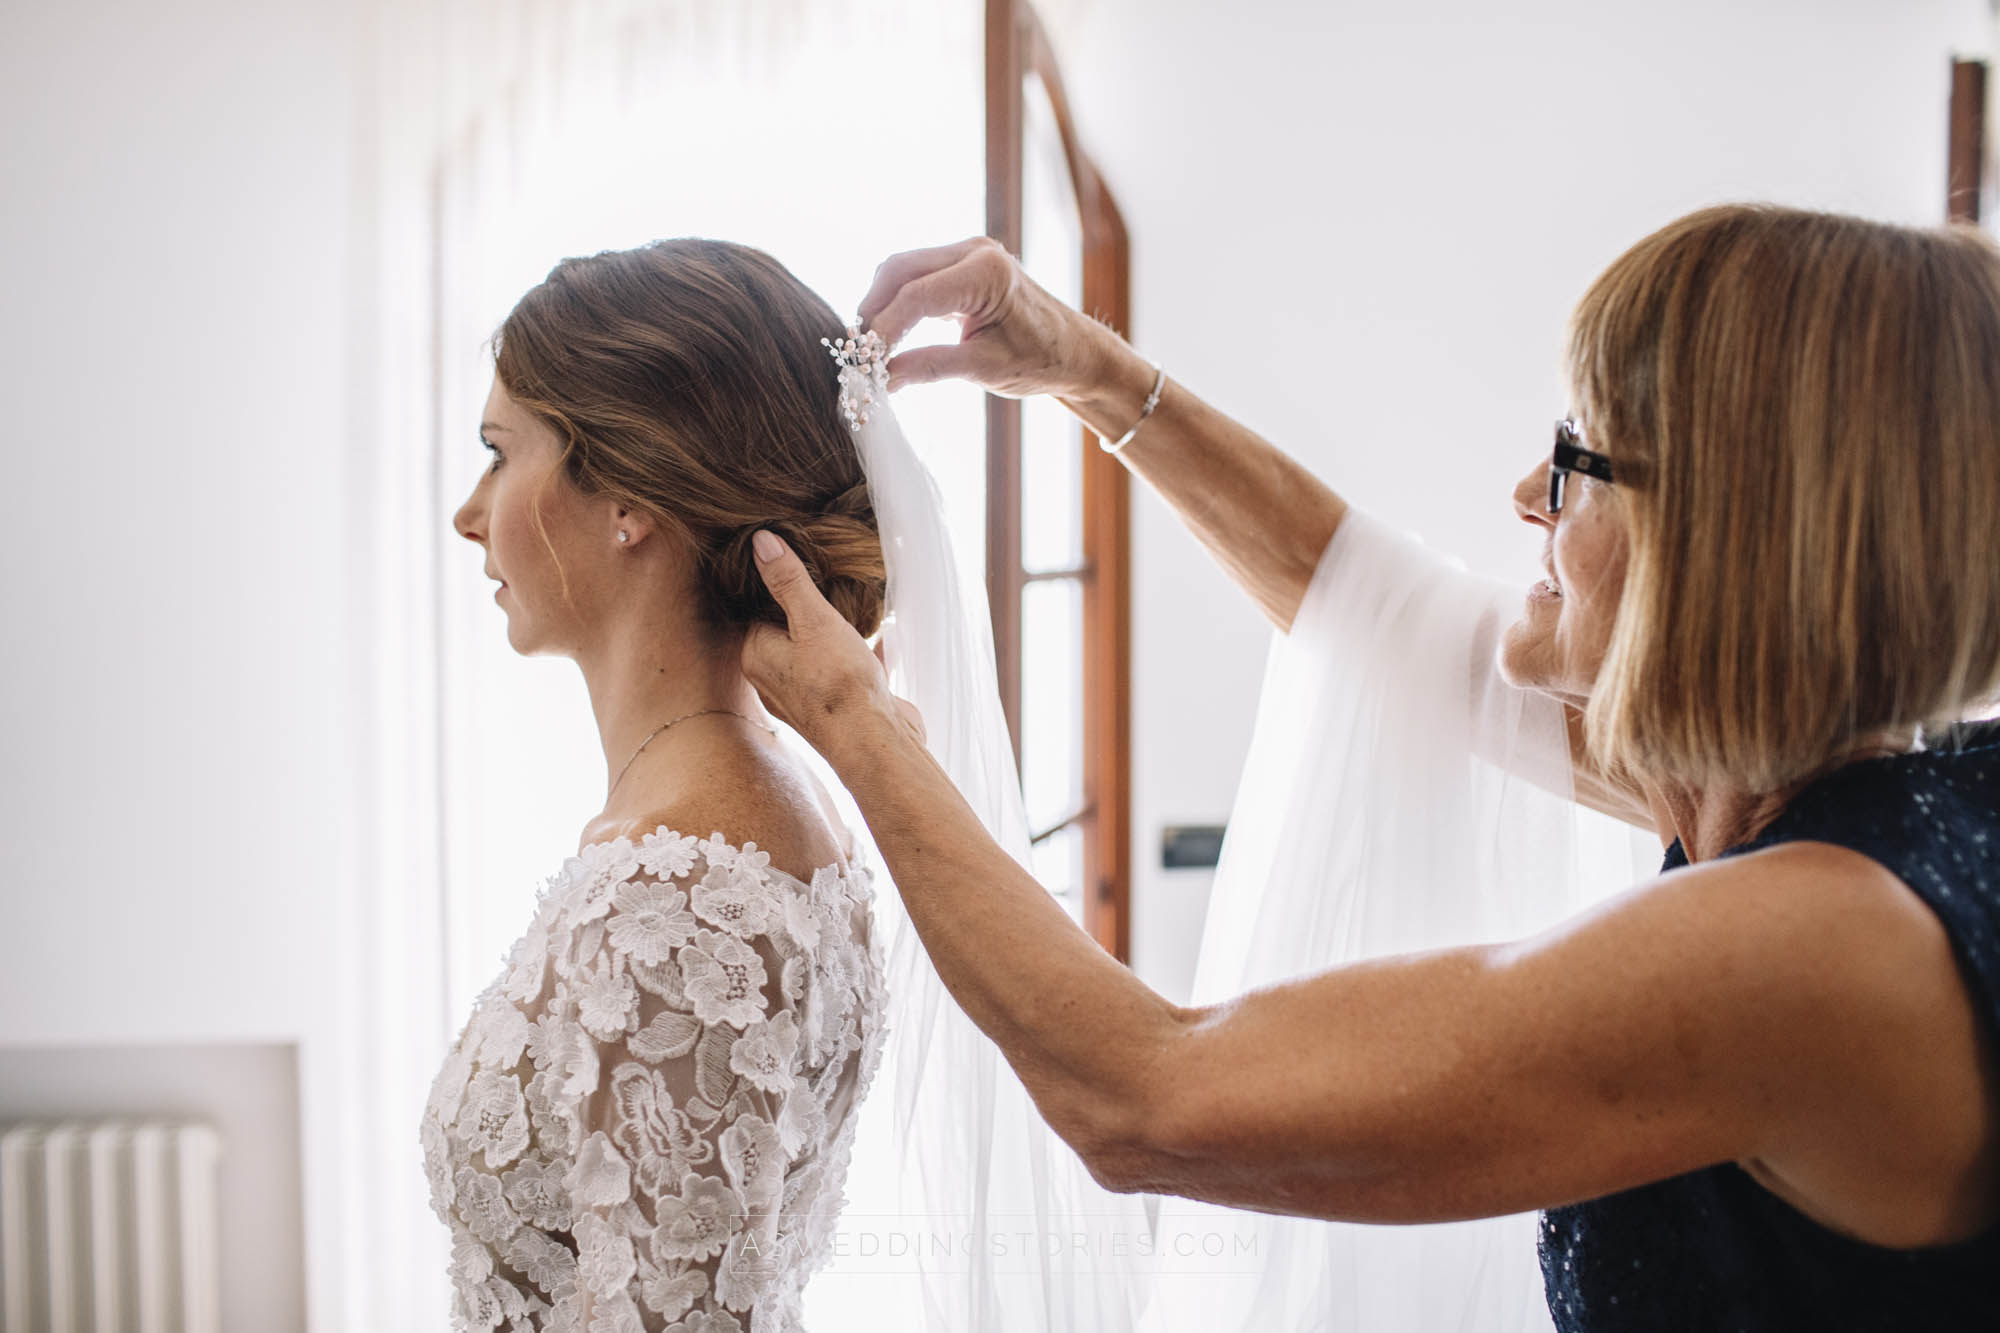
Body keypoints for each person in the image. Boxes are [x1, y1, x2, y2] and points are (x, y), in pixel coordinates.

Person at [739, 205, 2000, 1329]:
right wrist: (1086, 369)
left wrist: (857, 724)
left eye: (1575, 458)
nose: (1525, 495)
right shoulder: (1865, 778)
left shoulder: (1805, 950)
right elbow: (1370, 606)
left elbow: (1143, 1096)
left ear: (1728, 531)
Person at [425, 239, 894, 1332]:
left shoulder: (672, 890)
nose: (468, 511)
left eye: (500, 453)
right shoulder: (767, 809)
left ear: (627, 499)